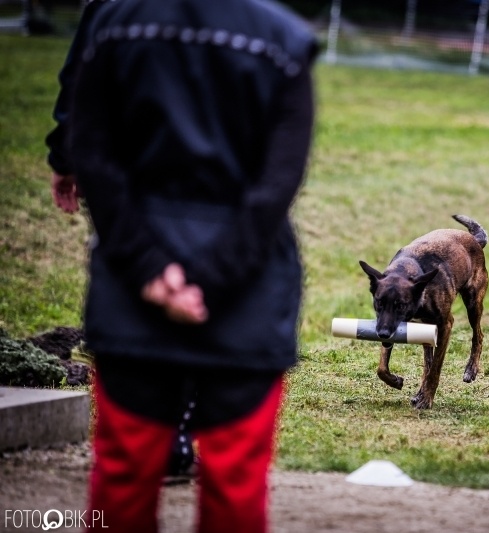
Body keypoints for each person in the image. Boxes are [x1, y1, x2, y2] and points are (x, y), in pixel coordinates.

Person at [62, 0, 317, 530]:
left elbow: (92, 153)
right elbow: (278, 183)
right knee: (235, 489)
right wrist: (211, 280)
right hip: (247, 290)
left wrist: (151, 269)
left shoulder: (111, 21)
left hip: (133, 290)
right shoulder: (285, 40)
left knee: (122, 482)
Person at [45, 0, 198, 486]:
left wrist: (65, 154)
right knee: (181, 298)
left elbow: (81, 77)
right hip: (194, 173)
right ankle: (177, 429)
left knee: (137, 296)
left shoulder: (110, 7)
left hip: (126, 172)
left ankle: (157, 433)